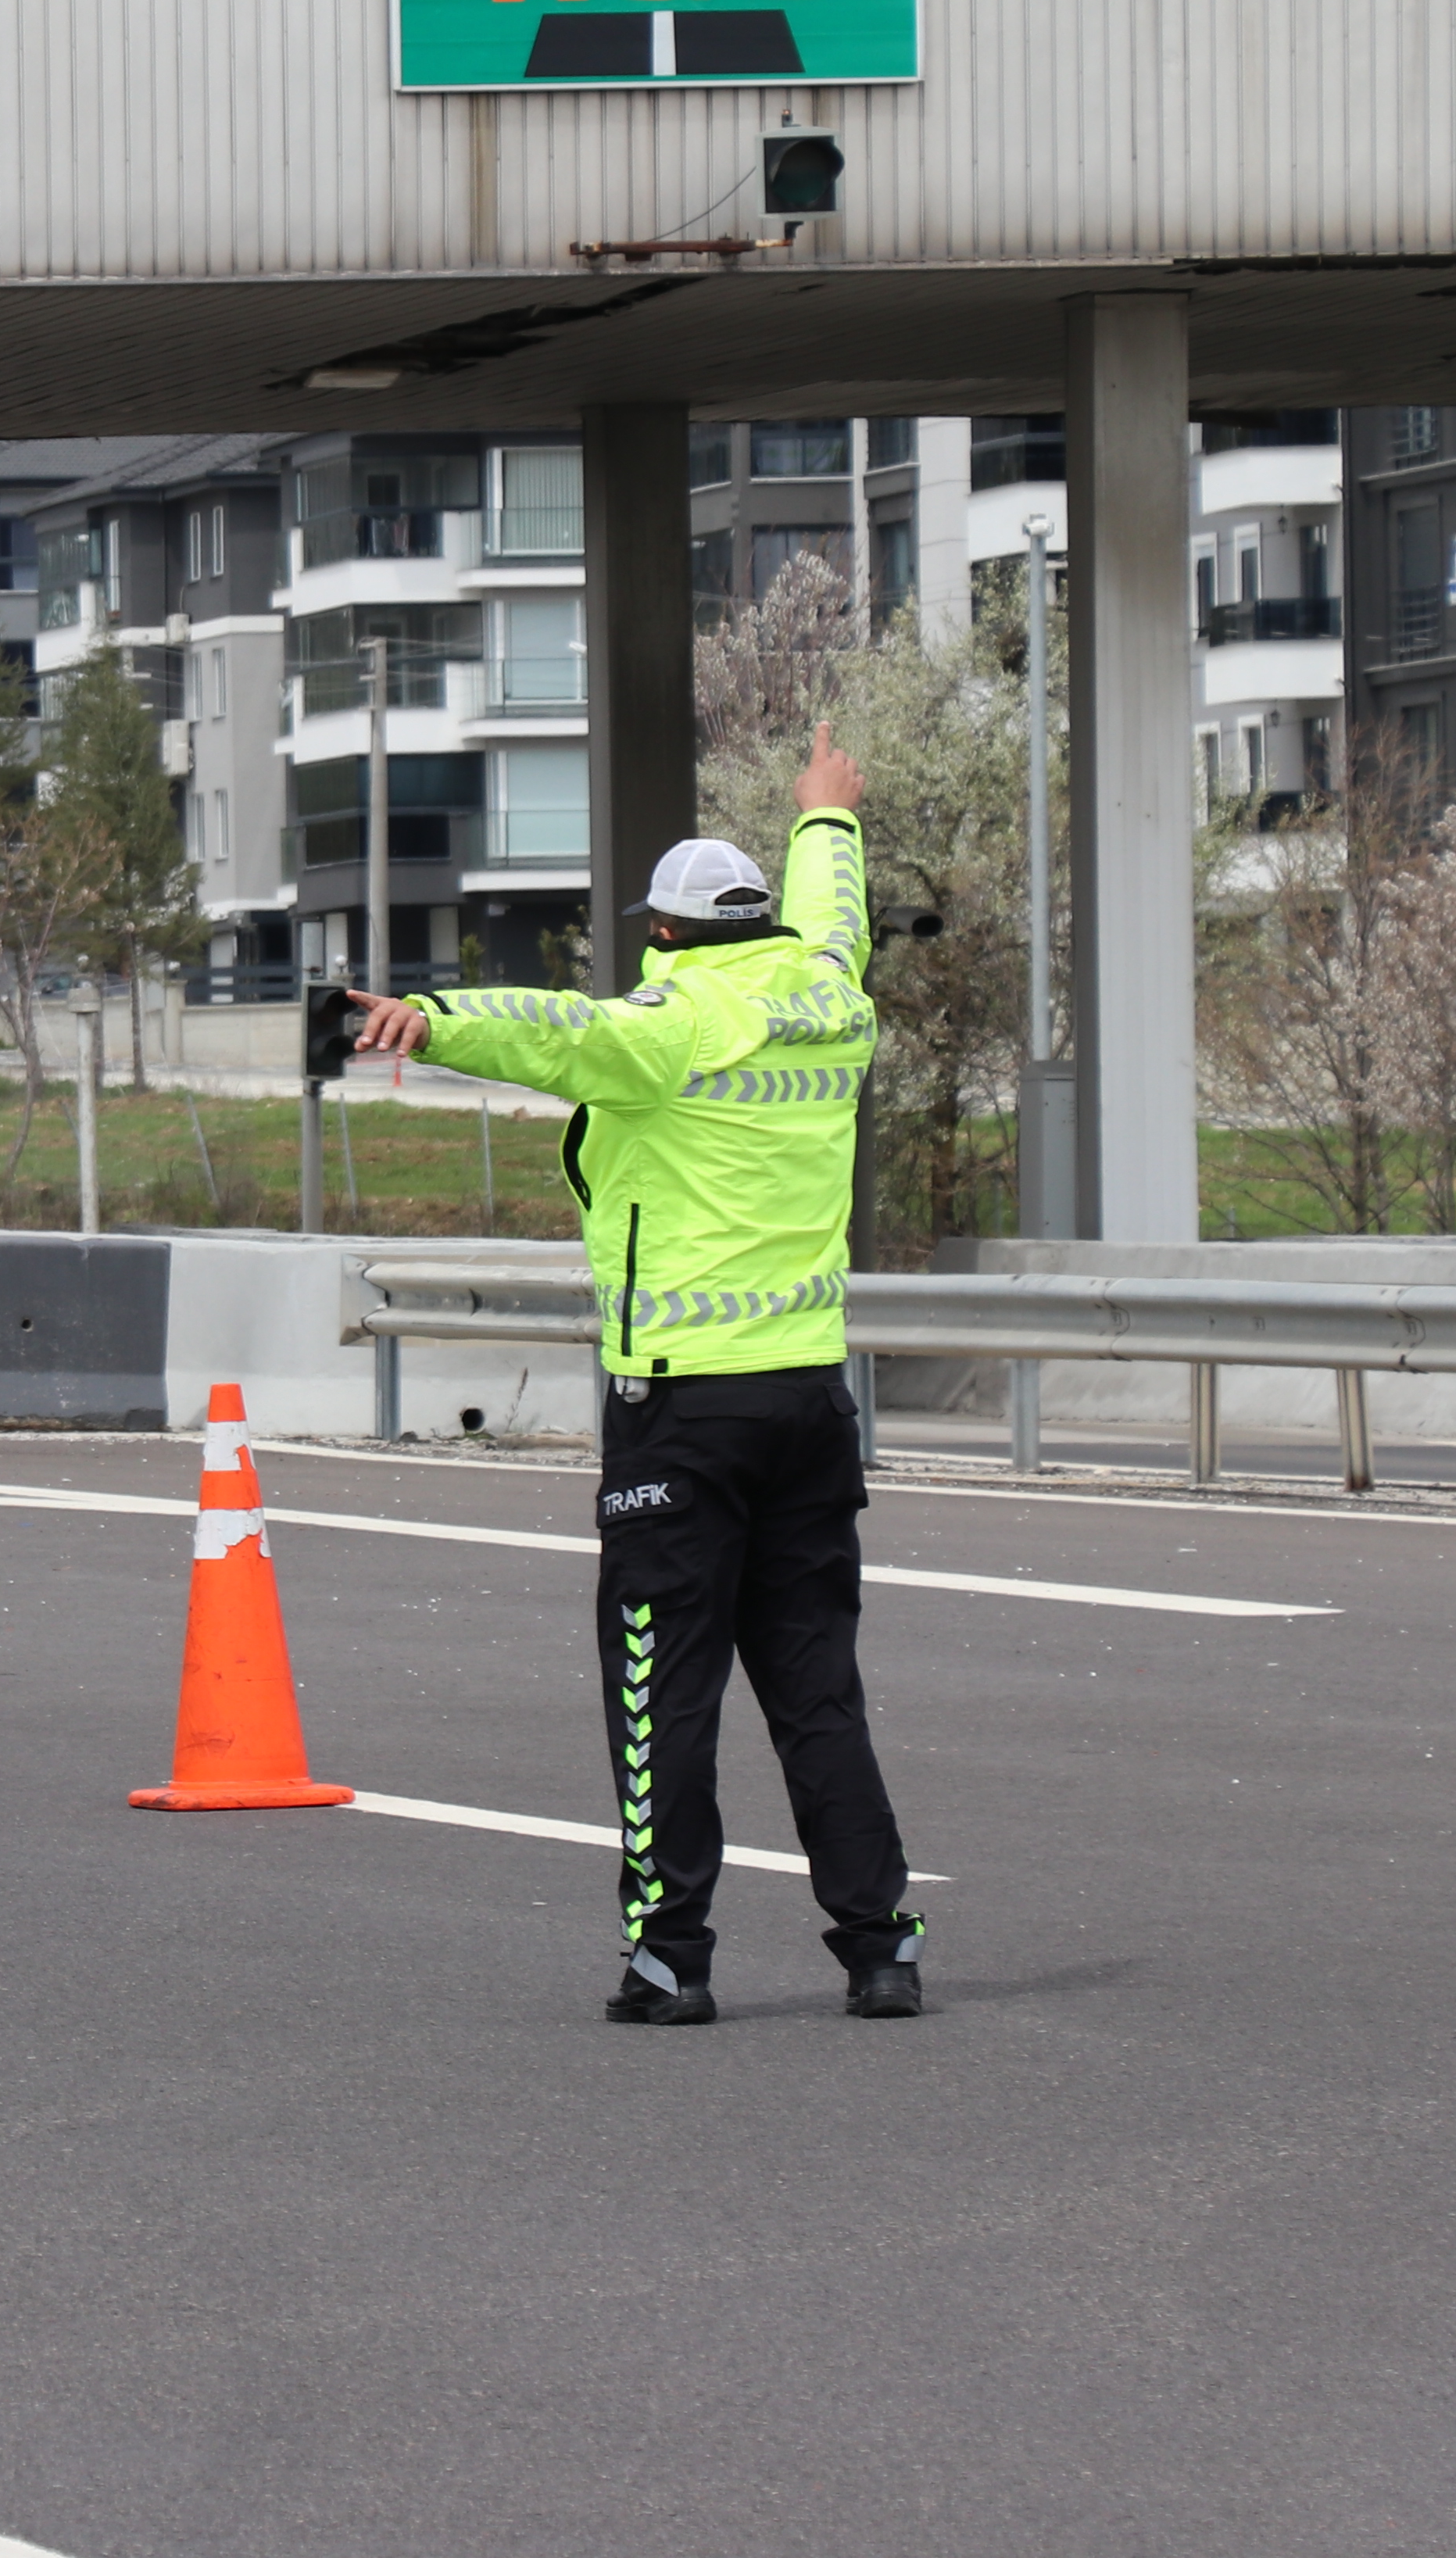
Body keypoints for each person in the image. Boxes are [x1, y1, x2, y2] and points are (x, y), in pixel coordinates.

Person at [345, 722, 922, 2027]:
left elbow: (556, 1034)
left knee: (663, 1686)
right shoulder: (830, 996)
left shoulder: (670, 1026)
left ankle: (674, 1959)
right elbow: (838, 918)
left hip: (685, 1415)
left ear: (663, 936)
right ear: (755, 923)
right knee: (815, 1683)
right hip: (809, 1400)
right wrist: (826, 812)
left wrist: (428, 1019)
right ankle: (881, 1943)